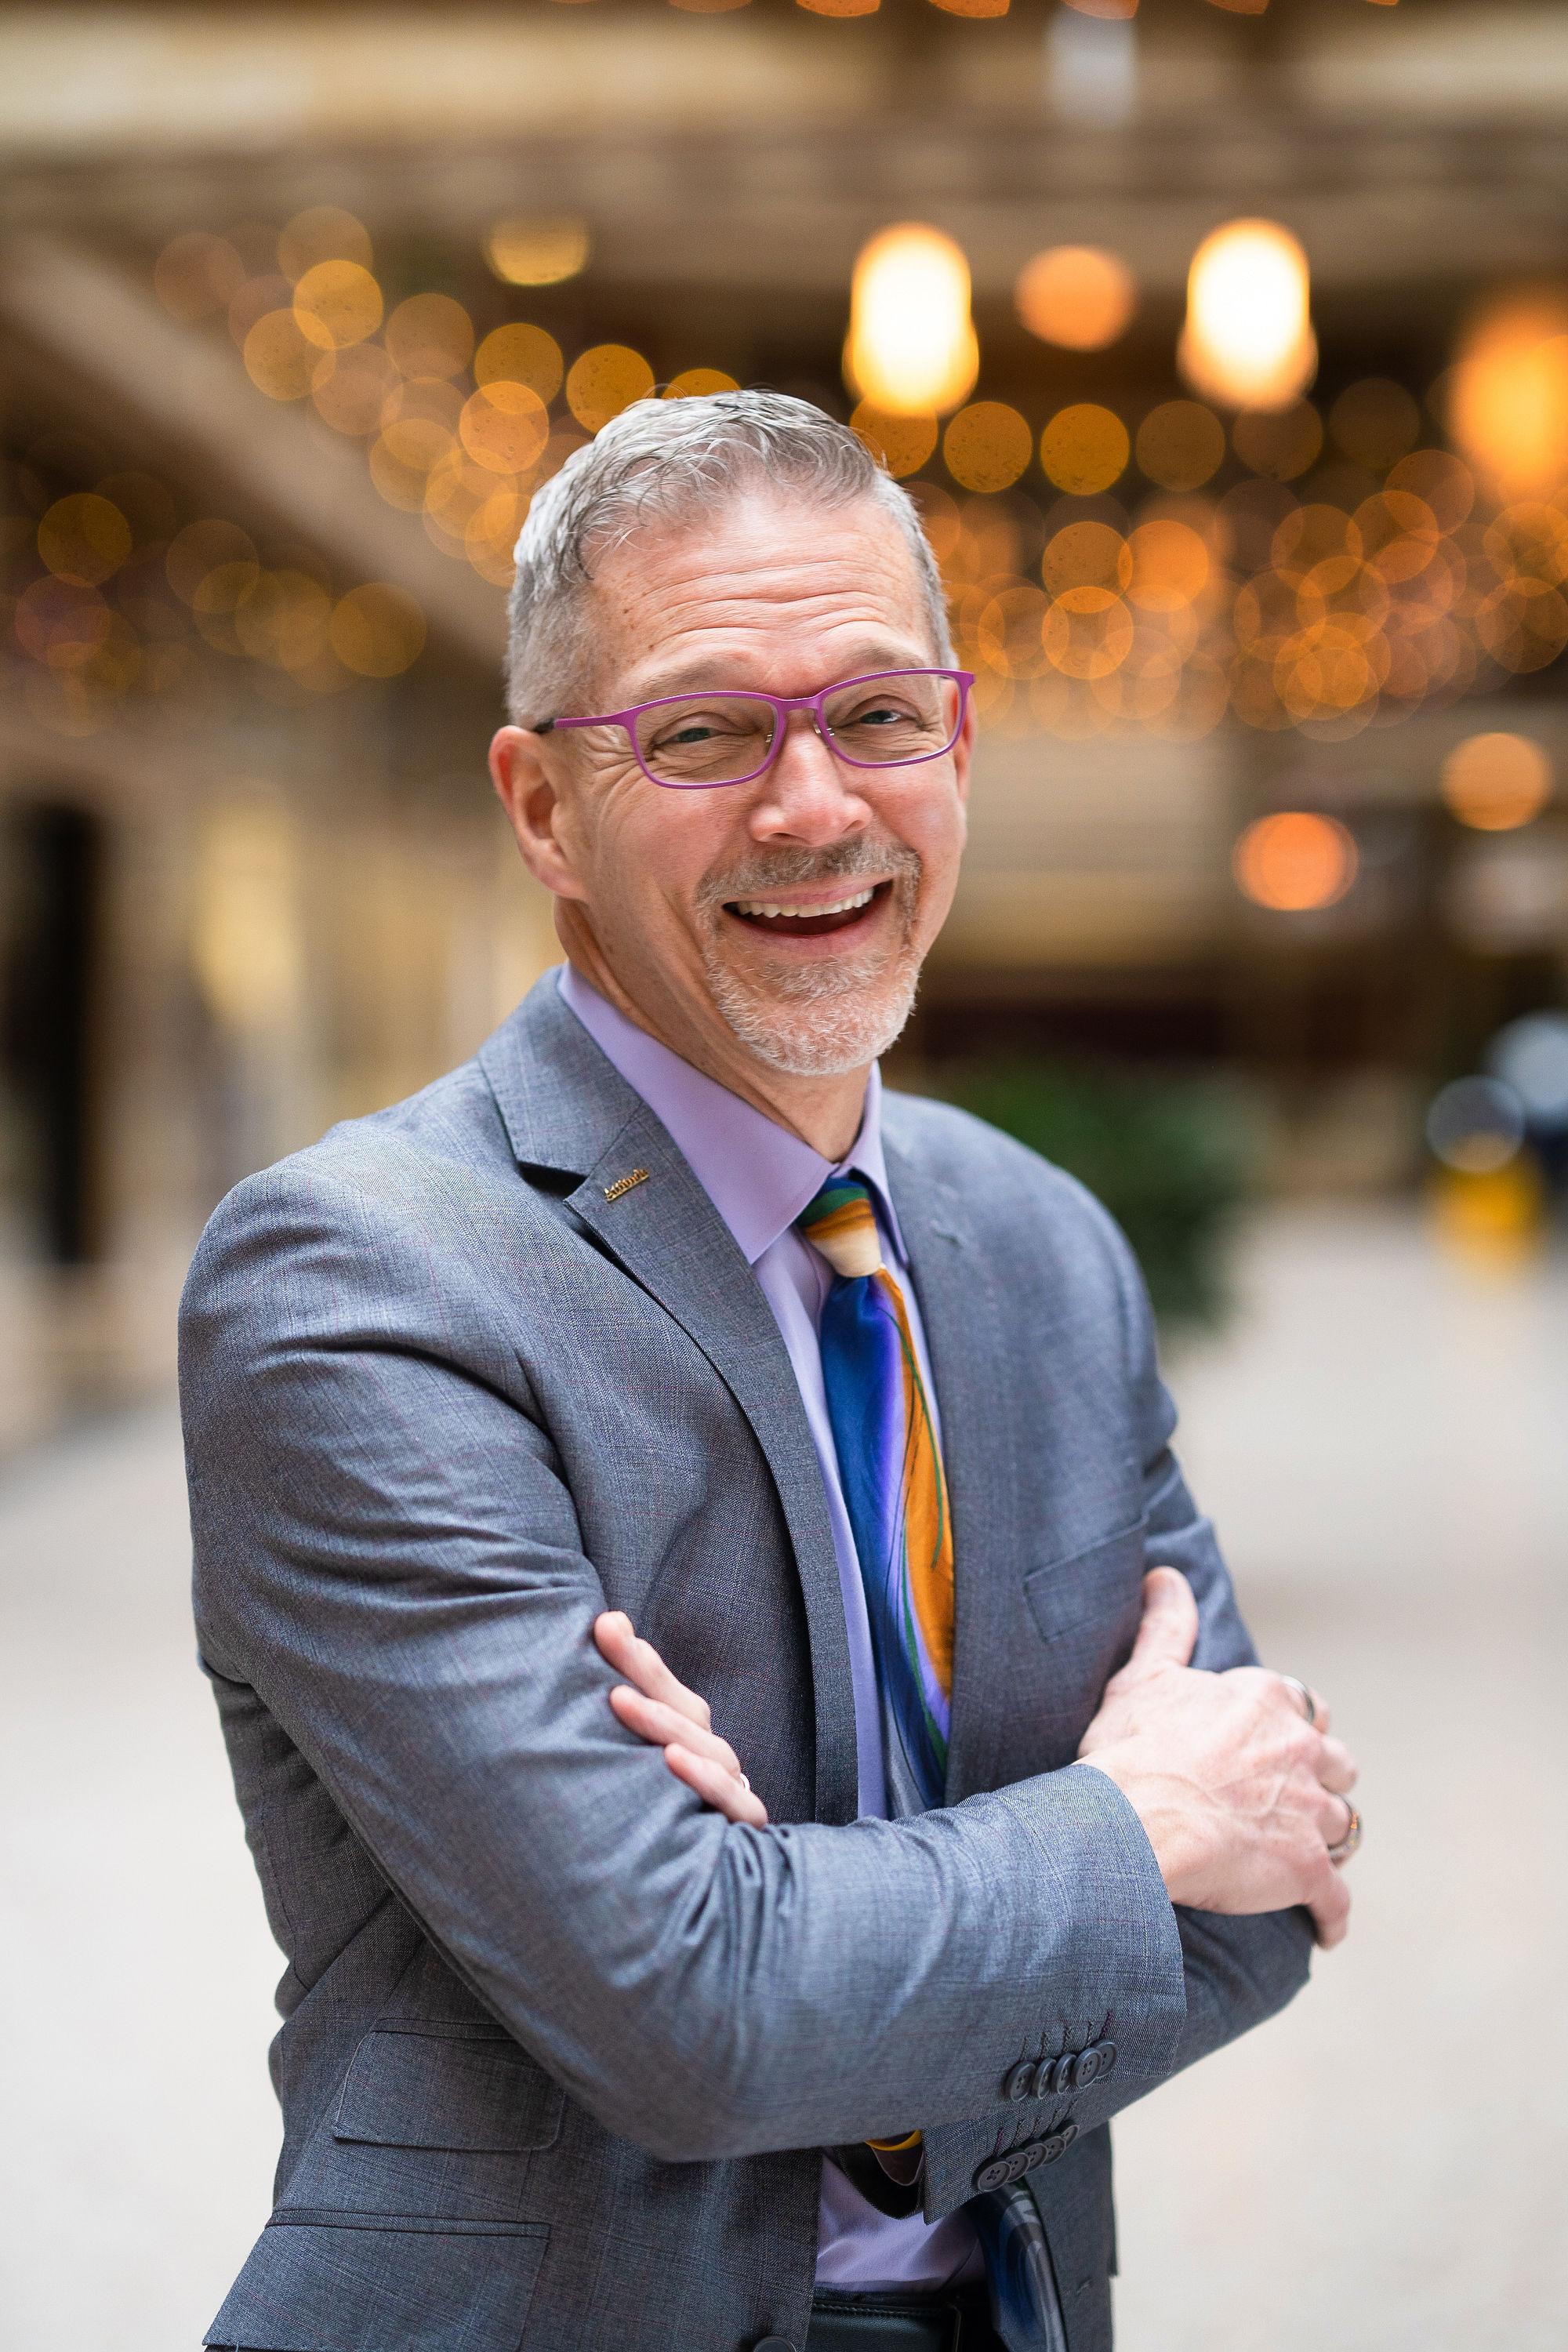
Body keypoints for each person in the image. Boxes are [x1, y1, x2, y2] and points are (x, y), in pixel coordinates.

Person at [180, 392, 1360, 2352]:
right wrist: (1120, 1825)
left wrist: (817, 1936)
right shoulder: (360, 1278)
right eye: (707, 732)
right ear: (544, 804)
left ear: (958, 745)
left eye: (880, 715)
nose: (814, 807)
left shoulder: (1041, 1246)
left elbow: (1266, 1905)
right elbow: (690, 2015)